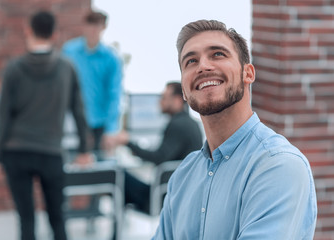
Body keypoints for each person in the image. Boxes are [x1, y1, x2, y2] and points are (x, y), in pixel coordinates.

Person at [153, 20, 317, 239]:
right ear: (184, 90)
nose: (203, 66)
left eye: (218, 54)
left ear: (248, 73)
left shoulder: (278, 165)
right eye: (191, 61)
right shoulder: (183, 176)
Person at [0, 11, 91, 240]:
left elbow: (2, 115)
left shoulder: (13, 69)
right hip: (51, 152)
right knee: (57, 218)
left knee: (26, 219)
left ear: (28, 31)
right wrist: (84, 149)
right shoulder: (67, 68)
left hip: (16, 151)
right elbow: (78, 111)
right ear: (55, 34)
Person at [115, 81, 203, 213]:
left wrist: (128, 143)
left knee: (117, 176)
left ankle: (116, 228)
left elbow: (159, 157)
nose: (160, 102)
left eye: (164, 98)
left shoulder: (177, 125)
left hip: (164, 196)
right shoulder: (192, 124)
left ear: (178, 100)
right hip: (181, 192)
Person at [62, 10, 122, 158]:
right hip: (71, 122)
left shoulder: (111, 59)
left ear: (104, 27)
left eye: (97, 26)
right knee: (70, 168)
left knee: (98, 169)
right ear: (84, 26)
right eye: (90, 25)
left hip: (98, 125)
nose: (93, 30)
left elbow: (114, 95)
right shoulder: (69, 52)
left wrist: (111, 131)